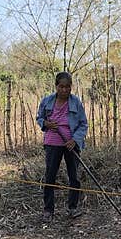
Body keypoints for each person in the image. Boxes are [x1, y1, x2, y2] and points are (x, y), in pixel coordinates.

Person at [36, 71, 89, 221]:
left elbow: (83, 124)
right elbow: (39, 118)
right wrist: (45, 123)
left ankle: (72, 208)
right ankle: (48, 211)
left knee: (74, 177)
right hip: (52, 143)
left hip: (71, 144)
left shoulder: (76, 103)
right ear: (56, 86)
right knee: (50, 176)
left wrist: (75, 139)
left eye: (67, 87)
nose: (64, 90)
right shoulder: (47, 101)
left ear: (71, 87)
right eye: (61, 87)